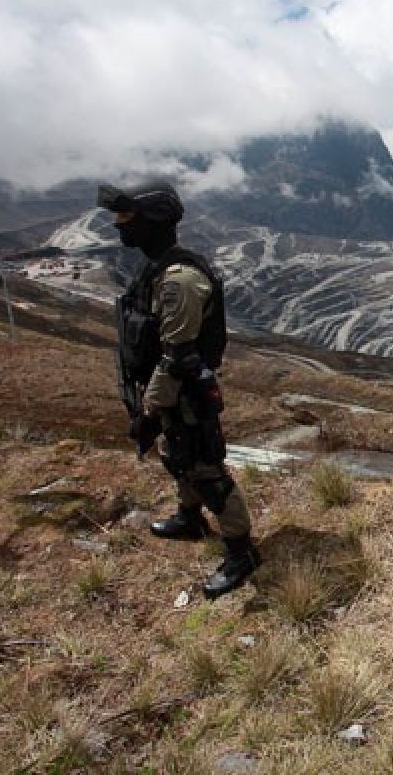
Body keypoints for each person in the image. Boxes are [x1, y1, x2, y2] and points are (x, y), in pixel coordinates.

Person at [98, 182, 261, 599]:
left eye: (127, 220)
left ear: (152, 223)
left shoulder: (181, 280)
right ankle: (189, 518)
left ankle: (241, 550)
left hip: (183, 392)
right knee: (176, 455)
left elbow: (178, 357)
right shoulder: (157, 270)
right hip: (165, 389)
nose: (120, 228)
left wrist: (150, 411)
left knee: (206, 469)